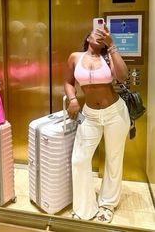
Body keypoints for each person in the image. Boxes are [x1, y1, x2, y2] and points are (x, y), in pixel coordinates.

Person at [64, 24, 130, 223]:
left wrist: (112, 46)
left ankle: (107, 205)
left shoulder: (108, 56)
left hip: (115, 114)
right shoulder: (75, 57)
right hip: (89, 115)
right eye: (98, 32)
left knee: (113, 159)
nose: (101, 34)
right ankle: (84, 206)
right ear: (89, 36)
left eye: (105, 34)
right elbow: (68, 82)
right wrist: (73, 99)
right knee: (79, 159)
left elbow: (123, 76)